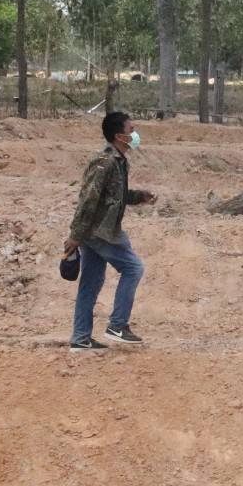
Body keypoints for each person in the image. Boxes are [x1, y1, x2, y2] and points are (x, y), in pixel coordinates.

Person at [64, 111, 156, 351]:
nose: (135, 134)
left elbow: (114, 196)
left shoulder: (118, 160)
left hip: (96, 230)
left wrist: (139, 196)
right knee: (133, 268)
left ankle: (80, 338)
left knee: (91, 282)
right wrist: (75, 235)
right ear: (119, 136)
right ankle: (117, 325)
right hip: (101, 231)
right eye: (131, 130)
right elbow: (88, 199)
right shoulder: (105, 162)